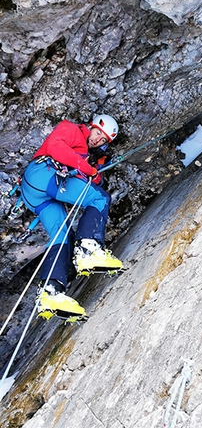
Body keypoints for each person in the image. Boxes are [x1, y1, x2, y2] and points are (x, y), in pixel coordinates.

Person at [21, 114, 123, 322]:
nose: (98, 139)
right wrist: (89, 170)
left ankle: (51, 292)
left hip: (38, 193)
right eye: (98, 133)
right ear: (91, 126)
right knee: (99, 199)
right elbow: (55, 147)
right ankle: (88, 249)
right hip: (43, 173)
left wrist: (94, 172)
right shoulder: (71, 129)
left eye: (103, 140)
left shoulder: (83, 154)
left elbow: (83, 177)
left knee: (62, 235)